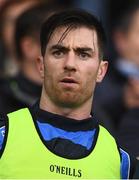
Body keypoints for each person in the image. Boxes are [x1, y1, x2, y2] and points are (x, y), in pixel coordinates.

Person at [0, 9, 132, 179]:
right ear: (41, 65)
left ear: (101, 70)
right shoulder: (3, 137)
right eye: (59, 52)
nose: (70, 64)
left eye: (83, 54)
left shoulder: (122, 163)